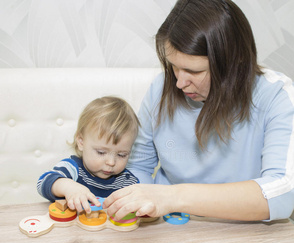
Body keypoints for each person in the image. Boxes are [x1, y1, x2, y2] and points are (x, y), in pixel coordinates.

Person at [103, 0, 294, 222]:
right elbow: (138, 165)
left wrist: (174, 197)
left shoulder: (277, 96)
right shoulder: (160, 88)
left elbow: (282, 193)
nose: (179, 83)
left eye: (194, 70)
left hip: (245, 233)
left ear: (236, 61)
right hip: (170, 226)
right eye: (174, 66)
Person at [37, 96, 140, 214]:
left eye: (122, 155)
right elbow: (42, 182)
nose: (111, 162)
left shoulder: (127, 182)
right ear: (81, 142)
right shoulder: (72, 169)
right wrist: (68, 187)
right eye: (101, 152)